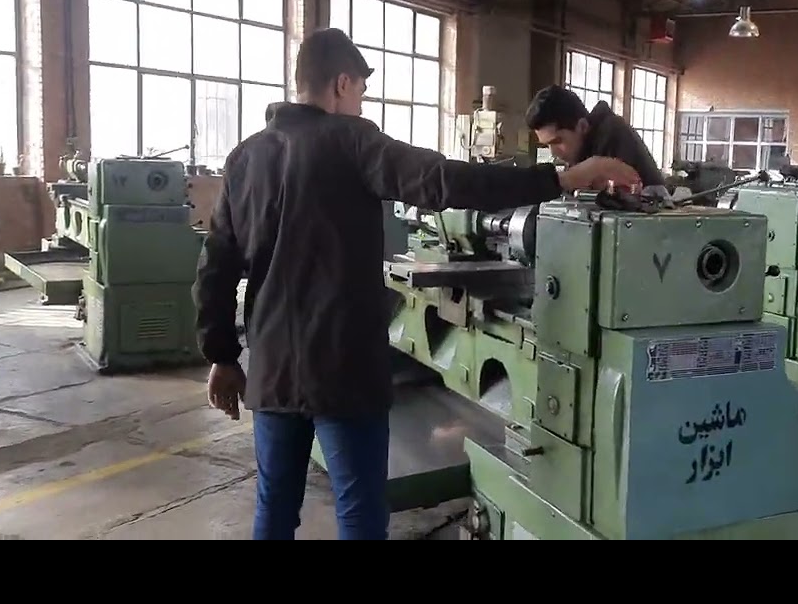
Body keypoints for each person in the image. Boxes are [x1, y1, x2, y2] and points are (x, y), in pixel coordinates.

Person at [194, 28, 641, 541]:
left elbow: (216, 265)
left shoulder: (244, 158)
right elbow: (441, 180)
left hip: (272, 369)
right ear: (342, 84)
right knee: (360, 513)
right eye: (361, 91)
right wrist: (560, 179)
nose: (361, 103)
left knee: (274, 509)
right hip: (344, 371)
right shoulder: (353, 141)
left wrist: (221, 355)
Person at [525, 85, 668, 199]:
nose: (553, 152)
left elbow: (614, 202)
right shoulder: (582, 147)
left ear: (582, 126)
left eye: (557, 141)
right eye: (548, 145)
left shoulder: (612, 134)